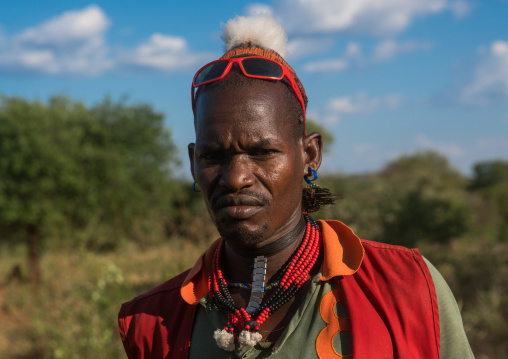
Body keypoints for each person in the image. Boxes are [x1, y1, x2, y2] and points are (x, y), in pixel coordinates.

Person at [118, 16, 474, 359]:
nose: (235, 177)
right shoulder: (152, 320)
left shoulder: (407, 287)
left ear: (309, 155)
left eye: (262, 152)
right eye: (214, 155)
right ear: (194, 163)